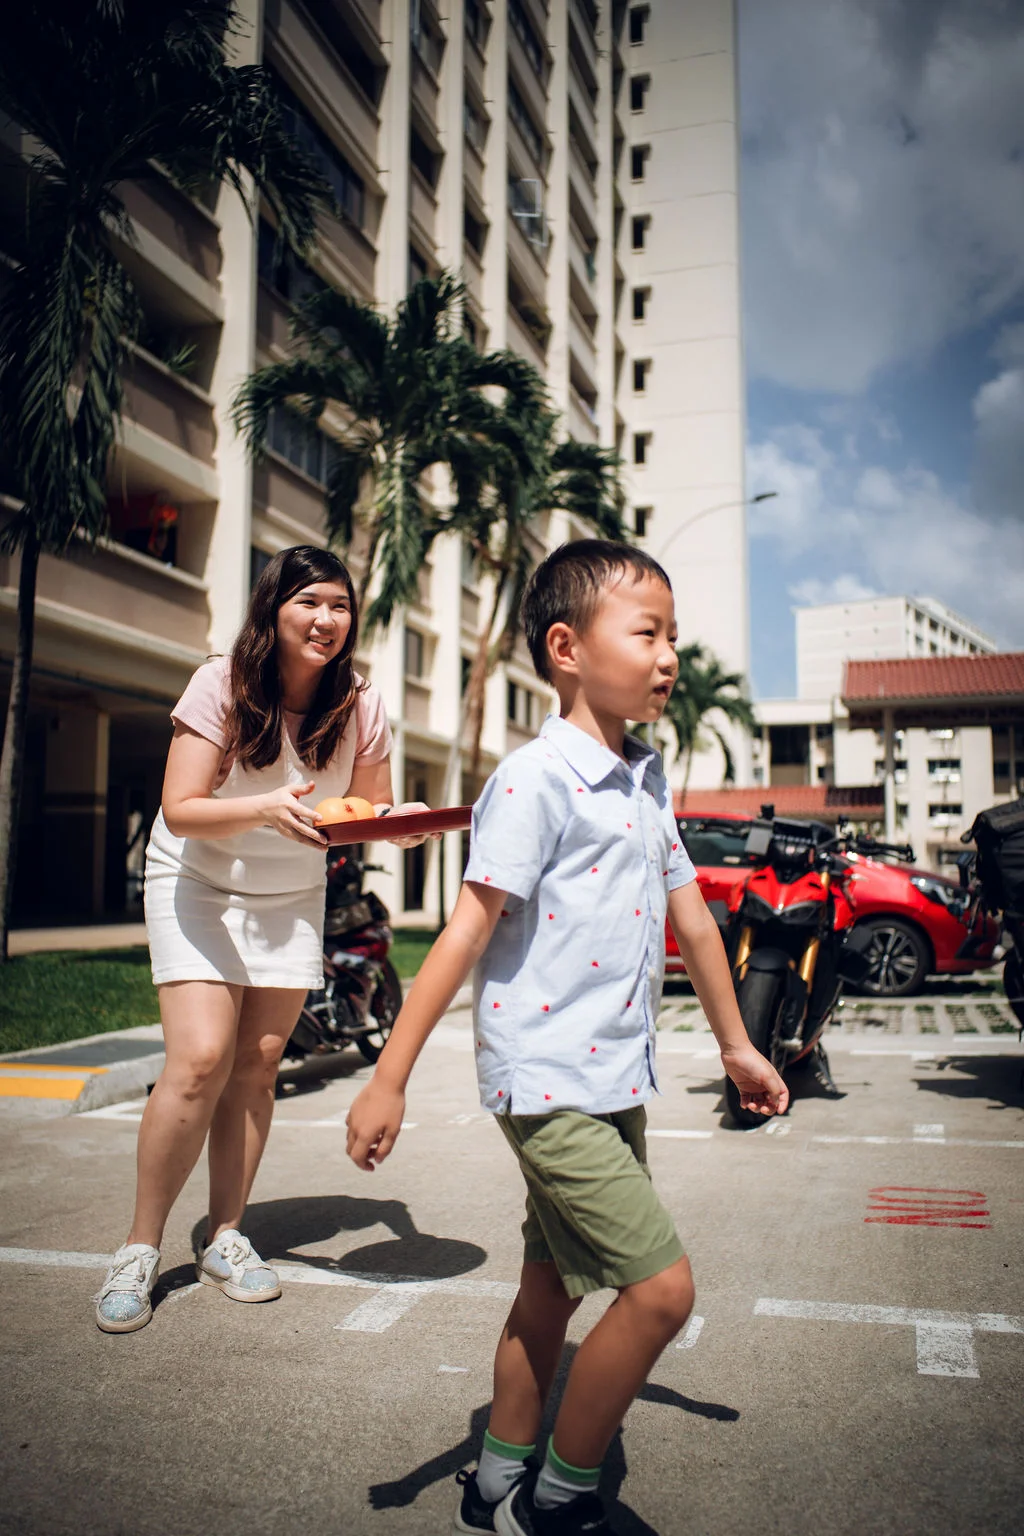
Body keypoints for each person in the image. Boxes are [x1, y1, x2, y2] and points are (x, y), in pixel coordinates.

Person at [345, 540, 788, 1536]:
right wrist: (388, 1078)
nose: (670, 653)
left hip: (611, 1075)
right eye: (647, 632)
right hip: (542, 1079)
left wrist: (735, 1045)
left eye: (674, 635)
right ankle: (560, 1498)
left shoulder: (643, 775)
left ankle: (497, 1476)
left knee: (548, 1291)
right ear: (566, 647)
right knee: (661, 1291)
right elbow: (464, 929)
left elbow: (694, 918)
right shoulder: (535, 781)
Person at [96, 545, 431, 1334]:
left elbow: (367, 807)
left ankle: (224, 1237)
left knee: (259, 1062)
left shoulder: (361, 704)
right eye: (309, 602)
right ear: (273, 609)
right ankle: (140, 1247)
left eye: (341, 606)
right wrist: (265, 808)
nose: (327, 619)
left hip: (287, 891)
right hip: (198, 880)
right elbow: (180, 806)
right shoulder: (224, 681)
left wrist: (400, 830)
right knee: (201, 1059)